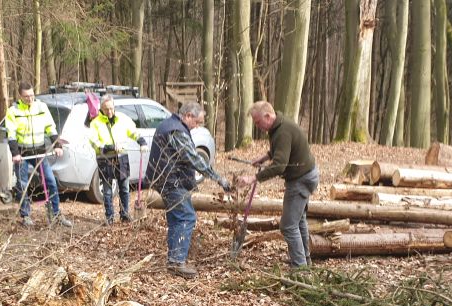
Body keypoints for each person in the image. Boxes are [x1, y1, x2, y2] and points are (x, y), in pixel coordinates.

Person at [146, 102, 232, 278]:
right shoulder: (176, 130)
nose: (197, 126)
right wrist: (218, 178)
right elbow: (193, 158)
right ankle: (177, 262)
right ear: (188, 116)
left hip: (166, 179)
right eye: (197, 122)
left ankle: (174, 259)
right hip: (171, 181)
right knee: (186, 216)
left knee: (176, 218)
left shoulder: (170, 124)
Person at [238, 101, 319, 268]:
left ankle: (300, 270)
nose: (257, 125)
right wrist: (266, 156)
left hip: (301, 179)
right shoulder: (278, 127)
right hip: (306, 174)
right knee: (299, 220)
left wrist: (254, 178)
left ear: (268, 116)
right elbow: (281, 149)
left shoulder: (282, 131)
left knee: (288, 226)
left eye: (258, 121)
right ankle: (305, 261)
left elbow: (280, 166)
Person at [4, 82, 72, 228]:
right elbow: (11, 134)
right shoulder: (13, 111)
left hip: (40, 152)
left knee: (51, 182)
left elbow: (51, 128)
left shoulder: (41, 107)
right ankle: (26, 215)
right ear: (20, 96)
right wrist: (15, 153)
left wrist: (57, 145)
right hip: (22, 153)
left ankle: (55, 213)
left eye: (32, 95)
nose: (30, 99)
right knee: (22, 185)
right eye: (27, 96)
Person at [88, 95, 147, 224]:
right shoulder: (95, 123)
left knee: (124, 189)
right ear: (101, 109)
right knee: (108, 192)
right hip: (105, 160)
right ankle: (109, 217)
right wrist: (109, 147)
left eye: (111, 108)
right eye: (106, 109)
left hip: (122, 158)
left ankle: (125, 215)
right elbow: (94, 142)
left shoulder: (122, 119)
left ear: (114, 107)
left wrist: (142, 142)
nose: (109, 112)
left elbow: (133, 132)